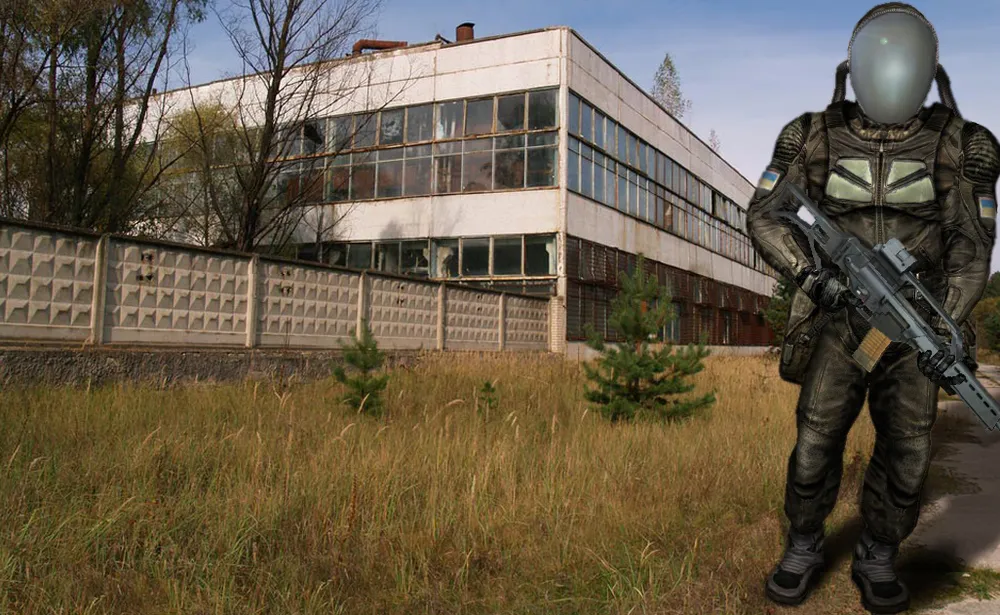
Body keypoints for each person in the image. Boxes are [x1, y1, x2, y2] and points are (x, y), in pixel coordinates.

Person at [746, 3, 999, 613]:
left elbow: (971, 248)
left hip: (914, 325)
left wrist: (943, 325)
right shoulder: (810, 133)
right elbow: (766, 215)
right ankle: (804, 544)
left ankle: (879, 552)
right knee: (815, 441)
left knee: (909, 452)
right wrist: (812, 276)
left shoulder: (964, 144)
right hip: (837, 317)